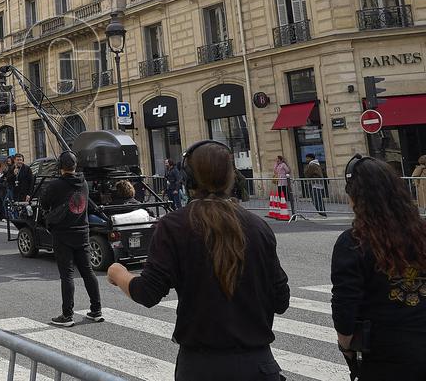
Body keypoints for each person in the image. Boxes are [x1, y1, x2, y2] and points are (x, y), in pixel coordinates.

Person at [107, 141, 290, 380]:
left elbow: (148, 292)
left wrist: (119, 273)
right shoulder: (258, 227)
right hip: (257, 366)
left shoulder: (174, 226)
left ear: (189, 179)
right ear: (232, 178)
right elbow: (281, 300)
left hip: (200, 367)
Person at [331, 155, 426, 380]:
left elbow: (345, 305)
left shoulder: (354, 241)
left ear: (357, 197)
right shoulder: (421, 233)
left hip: (384, 353)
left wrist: (347, 347)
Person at [39, 151, 104, 327]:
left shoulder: (55, 185)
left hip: (63, 234)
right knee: (87, 271)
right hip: (82, 232)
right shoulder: (83, 183)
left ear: (60, 167)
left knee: (67, 275)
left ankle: (67, 315)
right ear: (75, 166)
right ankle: (96, 310)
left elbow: (44, 203)